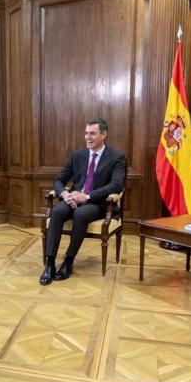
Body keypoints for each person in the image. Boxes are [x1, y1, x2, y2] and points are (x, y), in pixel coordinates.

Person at [41, 118, 127, 285]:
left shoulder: (116, 157)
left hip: (99, 203)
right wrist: (65, 195)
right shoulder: (77, 155)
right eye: (86, 133)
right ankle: (50, 264)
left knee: (80, 214)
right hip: (74, 199)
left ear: (103, 135)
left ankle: (68, 261)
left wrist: (87, 197)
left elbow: (116, 185)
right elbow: (59, 180)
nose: (88, 137)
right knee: (57, 212)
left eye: (92, 133)